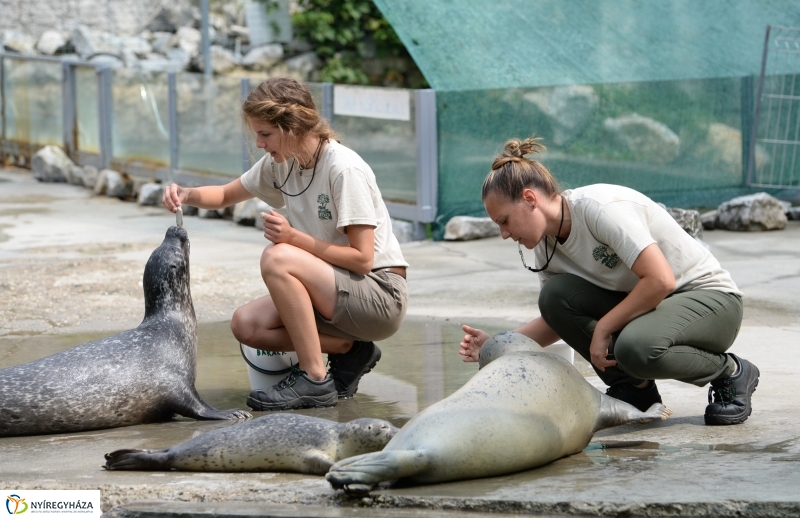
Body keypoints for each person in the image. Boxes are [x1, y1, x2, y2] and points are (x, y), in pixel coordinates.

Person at [459, 135, 759, 426]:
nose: (504, 234)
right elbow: (557, 318)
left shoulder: (599, 208)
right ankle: (635, 389)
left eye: (505, 221)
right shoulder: (545, 245)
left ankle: (731, 372)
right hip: (654, 310)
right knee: (555, 296)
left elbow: (660, 280)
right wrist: (498, 345)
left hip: (710, 302)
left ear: (529, 199)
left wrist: (604, 327)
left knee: (636, 348)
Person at [162, 77, 408, 411]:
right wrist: (186, 194)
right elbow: (225, 194)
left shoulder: (343, 168)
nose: (260, 144)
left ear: (291, 127)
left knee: (278, 258)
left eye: (265, 134)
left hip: (379, 296)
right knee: (246, 325)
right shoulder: (284, 163)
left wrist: (294, 239)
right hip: (335, 291)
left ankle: (315, 378)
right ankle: (350, 350)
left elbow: (363, 259)